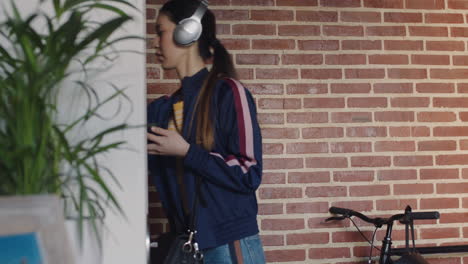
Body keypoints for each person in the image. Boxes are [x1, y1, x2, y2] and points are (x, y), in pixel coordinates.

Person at [147, 0, 266, 263]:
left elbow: (249, 172)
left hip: (227, 246)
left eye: (160, 31)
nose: (155, 42)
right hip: (183, 248)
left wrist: (188, 152)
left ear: (186, 32)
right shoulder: (161, 110)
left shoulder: (228, 93)